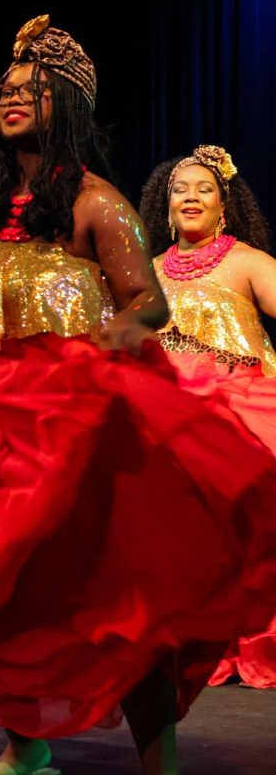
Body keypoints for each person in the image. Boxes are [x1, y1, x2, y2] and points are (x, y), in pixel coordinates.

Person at [0, 17, 276, 775]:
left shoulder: (97, 202)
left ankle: (161, 760)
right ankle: (25, 750)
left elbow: (148, 301)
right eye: (5, 90)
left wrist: (118, 339)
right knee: (3, 596)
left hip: (84, 425)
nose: (12, 99)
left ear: (68, 104)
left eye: (32, 90)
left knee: (122, 603)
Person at [140, 145, 276, 690]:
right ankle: (195, 642)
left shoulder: (247, 261)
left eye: (203, 188)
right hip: (168, 419)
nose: (190, 196)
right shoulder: (148, 273)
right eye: (180, 189)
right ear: (166, 207)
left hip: (240, 411)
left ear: (224, 205)